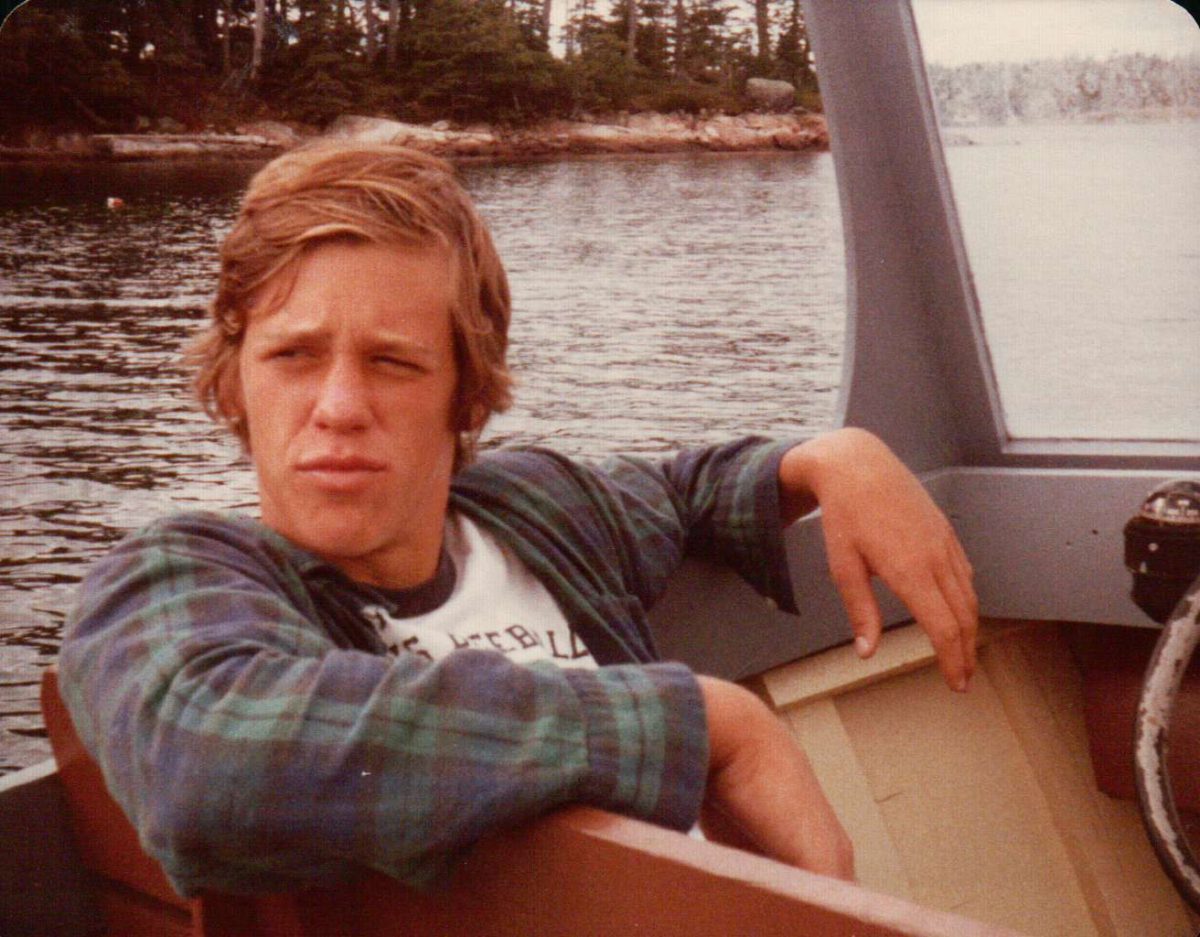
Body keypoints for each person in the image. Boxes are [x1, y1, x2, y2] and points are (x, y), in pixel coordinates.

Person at [59, 143, 977, 898]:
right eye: (294, 355)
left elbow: (684, 487)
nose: (338, 405)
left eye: (394, 363)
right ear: (236, 382)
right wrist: (697, 723)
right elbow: (212, 765)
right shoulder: (177, 580)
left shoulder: (537, 510)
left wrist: (828, 458)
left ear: (467, 393)